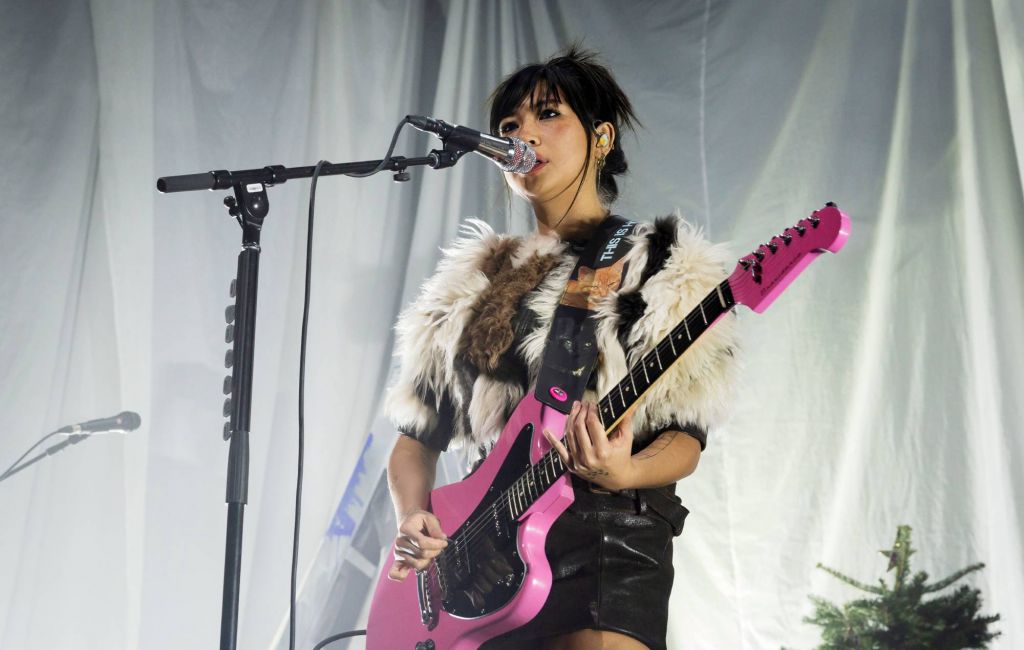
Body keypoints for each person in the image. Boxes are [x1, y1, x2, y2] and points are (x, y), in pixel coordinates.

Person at [383, 46, 739, 650]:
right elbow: (415, 441)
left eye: (549, 114)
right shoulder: (473, 282)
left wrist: (626, 468)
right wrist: (414, 518)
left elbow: (685, 436)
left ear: (601, 137)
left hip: (606, 545)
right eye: (509, 127)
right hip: (484, 562)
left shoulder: (659, 265)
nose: (524, 134)